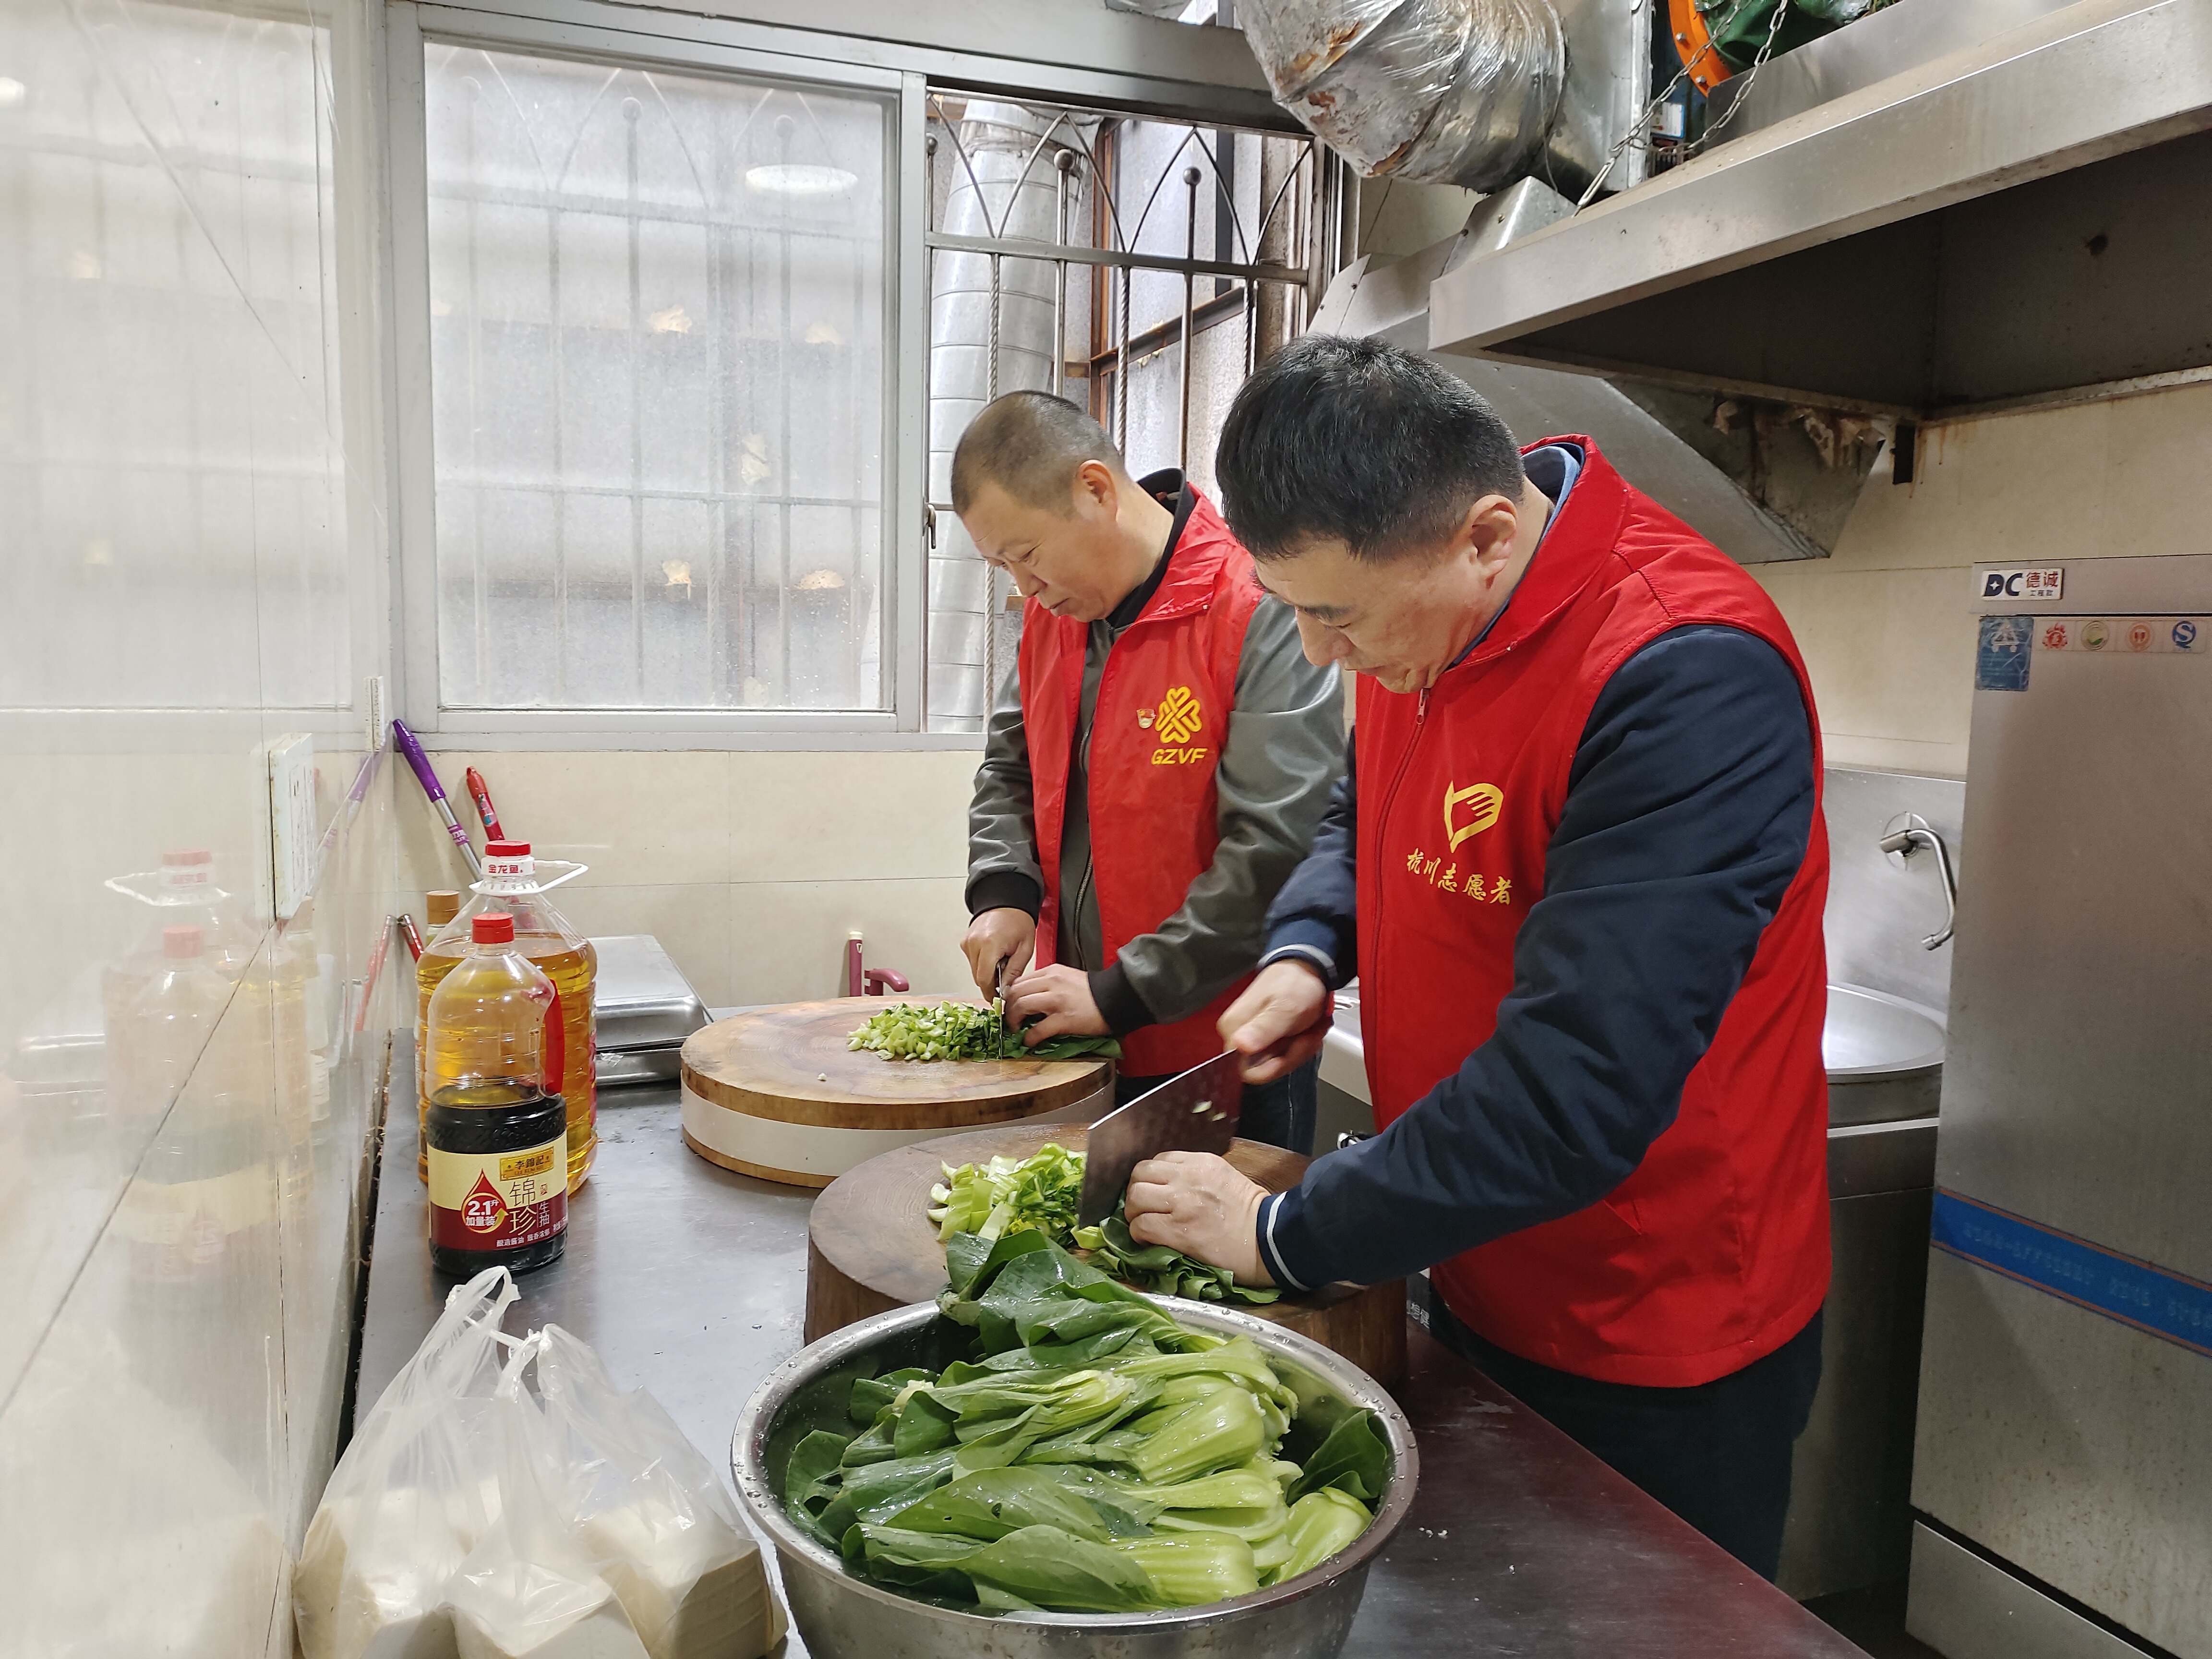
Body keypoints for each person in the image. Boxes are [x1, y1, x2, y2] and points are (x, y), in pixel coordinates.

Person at [1122, 336, 1831, 1578]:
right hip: (1471, 1252)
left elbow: (1577, 1088)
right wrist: (1308, 947)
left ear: (1489, 538)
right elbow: (1364, 809)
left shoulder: (1683, 674)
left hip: (1652, 1322)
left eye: (1335, 617)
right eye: (1296, 611)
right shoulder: (1424, 608)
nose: (1322, 655)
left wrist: (1283, 1233)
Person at [953, 391, 1344, 1151]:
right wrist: (1002, 893)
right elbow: (1010, 765)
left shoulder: (1256, 605)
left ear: (1095, 490)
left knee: (1213, 1227)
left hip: (1225, 1048)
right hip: (1080, 1035)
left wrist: (1126, 989)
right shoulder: (1055, 614)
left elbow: (1277, 846)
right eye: (1001, 566)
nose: (1023, 588)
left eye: (1027, 555)